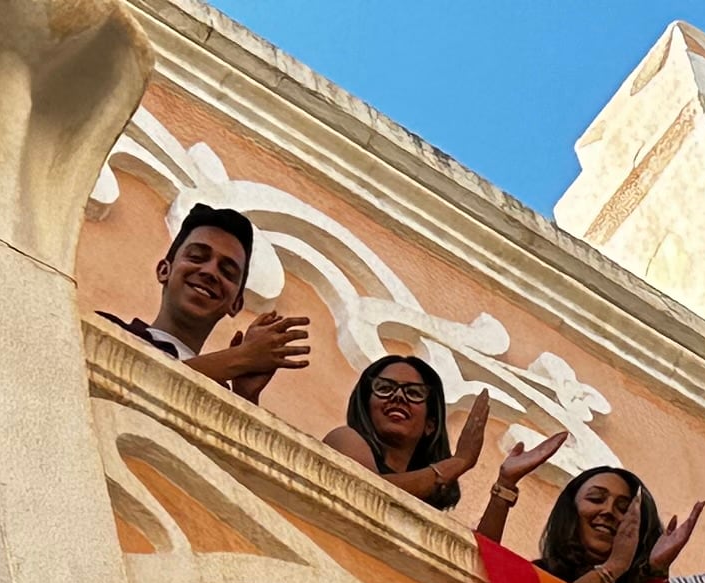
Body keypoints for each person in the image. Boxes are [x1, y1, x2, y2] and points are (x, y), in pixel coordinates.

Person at [477, 438, 698, 583]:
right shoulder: (538, 574)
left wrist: (657, 571)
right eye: (595, 499)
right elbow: (479, 573)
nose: (608, 511)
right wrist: (505, 487)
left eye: (623, 508)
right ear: (571, 513)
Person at [100, 205, 307, 404]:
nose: (210, 272)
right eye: (197, 257)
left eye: (227, 272)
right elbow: (139, 384)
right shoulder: (107, 330)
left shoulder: (220, 389)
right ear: (164, 270)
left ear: (236, 304)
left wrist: (244, 396)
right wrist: (242, 357)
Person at [323, 355, 491, 512]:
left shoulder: (423, 493)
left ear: (430, 425)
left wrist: (504, 490)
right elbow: (366, 490)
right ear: (366, 409)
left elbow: (477, 543)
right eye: (385, 388)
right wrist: (457, 463)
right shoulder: (343, 438)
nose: (398, 396)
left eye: (413, 393)